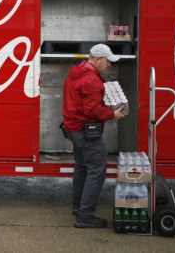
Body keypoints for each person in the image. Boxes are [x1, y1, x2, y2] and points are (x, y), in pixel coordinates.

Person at [62, 43, 126, 229]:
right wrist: (112, 114)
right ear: (97, 59)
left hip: (73, 127)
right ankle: (85, 216)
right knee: (97, 171)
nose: (109, 65)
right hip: (86, 130)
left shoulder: (76, 72)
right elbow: (92, 110)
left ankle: (78, 206)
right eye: (107, 61)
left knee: (82, 167)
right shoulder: (91, 79)